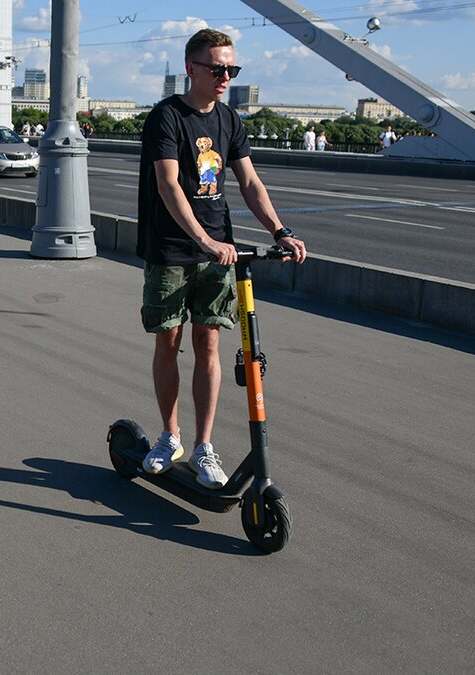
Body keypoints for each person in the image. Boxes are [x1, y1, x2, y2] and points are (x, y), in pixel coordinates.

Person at [136, 28, 307, 485]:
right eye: (217, 68)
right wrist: (204, 242)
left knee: (209, 345)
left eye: (232, 68)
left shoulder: (230, 120)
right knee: (168, 342)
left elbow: (250, 183)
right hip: (172, 251)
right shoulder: (167, 117)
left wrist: (280, 230)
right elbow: (169, 186)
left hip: (218, 253)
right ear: (191, 68)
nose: (225, 76)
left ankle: (203, 447)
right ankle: (169, 436)